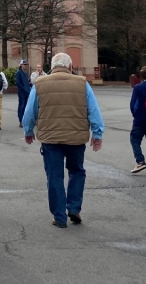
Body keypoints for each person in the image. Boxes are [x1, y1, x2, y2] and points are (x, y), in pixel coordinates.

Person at [23, 52, 105, 226]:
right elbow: (93, 111)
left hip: (50, 139)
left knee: (54, 176)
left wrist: (28, 131)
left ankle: (59, 216)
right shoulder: (82, 84)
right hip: (76, 137)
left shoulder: (39, 84)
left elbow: (30, 111)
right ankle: (74, 207)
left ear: (51, 67)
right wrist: (97, 134)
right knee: (77, 171)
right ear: (70, 67)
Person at [128, 66, 146, 174]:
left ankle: (140, 161)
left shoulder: (138, 87)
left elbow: (133, 104)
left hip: (140, 118)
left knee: (134, 139)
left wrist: (135, 114)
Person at [15, 59, 31, 128]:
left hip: (27, 92)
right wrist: (23, 88)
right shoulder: (19, 72)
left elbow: (27, 82)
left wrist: (29, 85)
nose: (25, 66)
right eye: (24, 64)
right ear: (21, 65)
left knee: (25, 106)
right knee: (21, 106)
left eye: (26, 65)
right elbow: (18, 82)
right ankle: (21, 120)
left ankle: (24, 120)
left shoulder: (26, 73)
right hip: (22, 92)